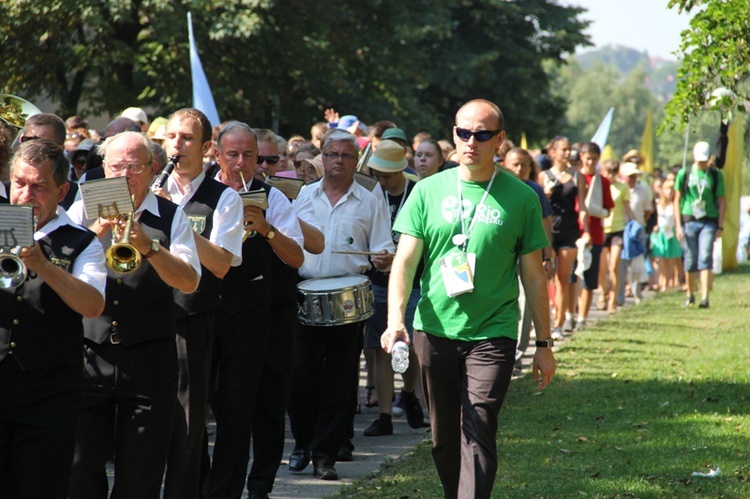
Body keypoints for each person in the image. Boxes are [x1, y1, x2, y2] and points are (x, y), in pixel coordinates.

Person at [382, 99, 555, 499]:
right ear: (454, 134)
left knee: (478, 426)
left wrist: (544, 344)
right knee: (444, 439)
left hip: (493, 332)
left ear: (500, 140)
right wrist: (396, 321)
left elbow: (532, 275)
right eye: (463, 133)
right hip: (434, 330)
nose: (470, 142)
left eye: (481, 135)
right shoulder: (426, 190)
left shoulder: (521, 198)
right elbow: (405, 263)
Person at [68, 131, 201, 498]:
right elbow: (59, 269)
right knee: (78, 467)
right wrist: (95, 234)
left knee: (141, 475)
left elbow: (189, 281)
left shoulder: (172, 217)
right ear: (104, 169)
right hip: (88, 353)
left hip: (149, 360)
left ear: (152, 169)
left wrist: (150, 246)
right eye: (116, 166)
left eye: (134, 167)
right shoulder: (80, 208)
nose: (124, 175)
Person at [287, 130, 395, 481]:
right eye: (332, 154)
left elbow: (382, 247)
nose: (338, 161)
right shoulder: (302, 196)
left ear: (355, 162)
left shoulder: (369, 200)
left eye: (346, 156)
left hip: (347, 298)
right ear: (322, 157)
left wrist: (383, 259)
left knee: (339, 378)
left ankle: (324, 455)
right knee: (300, 376)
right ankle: (303, 442)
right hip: (305, 291)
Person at [1, 140, 106, 498]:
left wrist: (43, 266)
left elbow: (92, 305)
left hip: (48, 396)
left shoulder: (82, 241)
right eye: (19, 183)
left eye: (38, 186)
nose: (26, 194)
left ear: (61, 191)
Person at [207, 121, 305, 499]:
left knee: (249, 406)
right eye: (233, 154)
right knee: (198, 403)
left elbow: (296, 256)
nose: (242, 162)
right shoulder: (204, 193)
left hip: (255, 314)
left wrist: (266, 229)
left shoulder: (273, 196)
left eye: (249, 155)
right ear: (217, 155)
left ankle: (256, 485)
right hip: (204, 310)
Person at [158, 109, 244, 499]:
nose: (177, 144)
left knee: (189, 421)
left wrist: (174, 220)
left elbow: (222, 264)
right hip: (146, 316)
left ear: (207, 148)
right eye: (171, 136)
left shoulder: (224, 198)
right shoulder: (145, 188)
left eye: (187, 137)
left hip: (192, 316)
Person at [361, 140, 425, 437]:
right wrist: (373, 254)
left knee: (408, 345)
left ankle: (410, 392)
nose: (382, 181)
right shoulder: (372, 194)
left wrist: (399, 255)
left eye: (387, 175)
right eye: (378, 174)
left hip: (412, 282)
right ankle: (385, 415)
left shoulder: (418, 194)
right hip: (377, 280)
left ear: (401, 169)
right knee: (382, 350)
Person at [539, 135, 588, 335]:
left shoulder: (578, 175)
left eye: (569, 150)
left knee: (562, 279)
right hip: (548, 231)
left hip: (569, 232)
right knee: (544, 278)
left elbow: (583, 206)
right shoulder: (543, 175)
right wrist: (545, 194)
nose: (568, 153)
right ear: (553, 153)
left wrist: (586, 232)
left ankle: (558, 325)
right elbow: (536, 204)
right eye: (564, 150)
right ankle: (541, 323)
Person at [675, 141, 725, 308]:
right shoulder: (685, 173)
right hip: (689, 219)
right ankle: (690, 295)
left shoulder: (715, 175)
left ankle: (705, 297)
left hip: (709, 220)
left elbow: (722, 201)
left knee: (705, 257)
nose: (702, 164)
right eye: (699, 161)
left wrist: (720, 225)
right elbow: (677, 200)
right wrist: (678, 225)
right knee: (690, 259)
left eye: (705, 161)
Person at [576, 142, 614, 328]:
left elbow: (608, 210)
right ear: (581, 157)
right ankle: (569, 313)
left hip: (595, 236)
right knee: (571, 277)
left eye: (594, 159)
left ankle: (582, 318)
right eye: (587, 158)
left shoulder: (603, 182)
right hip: (574, 233)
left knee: (589, 279)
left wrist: (593, 211)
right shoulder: (574, 178)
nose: (590, 162)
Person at [650, 179, 682, 292]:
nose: (670, 192)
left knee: (672, 259)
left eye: (672, 189)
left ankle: (671, 281)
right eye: (667, 189)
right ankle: (662, 282)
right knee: (661, 259)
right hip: (661, 233)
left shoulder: (675, 205)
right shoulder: (658, 204)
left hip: (671, 233)